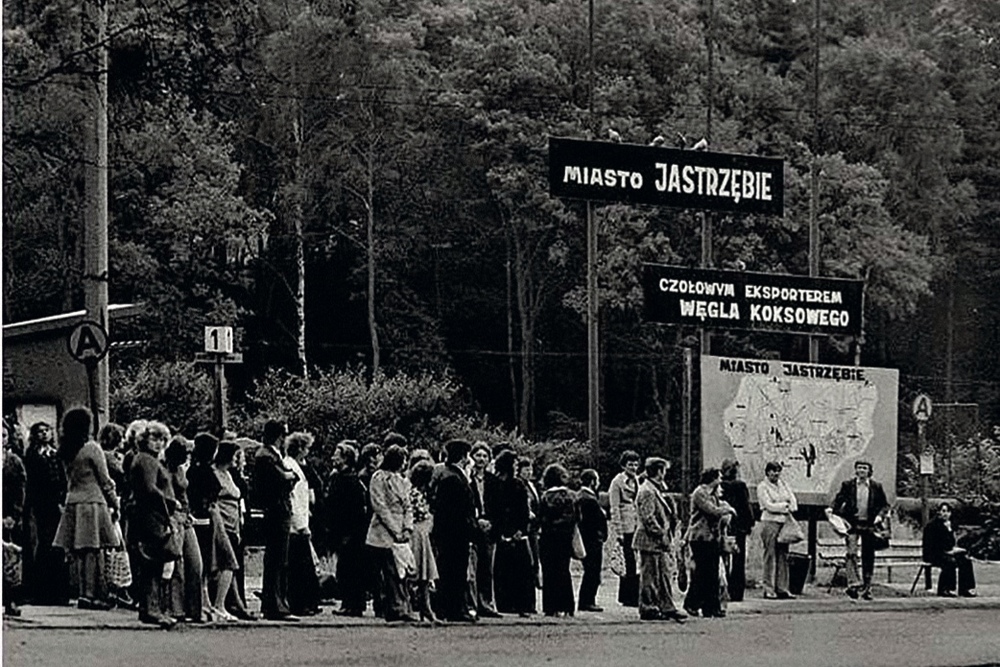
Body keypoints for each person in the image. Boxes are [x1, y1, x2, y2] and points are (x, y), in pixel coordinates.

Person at [52, 408, 120, 610]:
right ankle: (92, 594)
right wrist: (114, 503)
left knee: (79, 552)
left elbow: (67, 479)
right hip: (93, 502)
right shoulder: (92, 448)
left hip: (73, 501)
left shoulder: (66, 450)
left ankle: (83, 592)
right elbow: (105, 480)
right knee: (92, 551)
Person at [127, 421, 178, 628]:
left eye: (162, 439)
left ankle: (150, 608)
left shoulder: (147, 459)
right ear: (144, 439)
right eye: (154, 438)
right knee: (152, 563)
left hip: (150, 515)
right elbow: (150, 489)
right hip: (151, 516)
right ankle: (152, 609)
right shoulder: (147, 460)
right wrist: (170, 502)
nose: (159, 443)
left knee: (153, 564)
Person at [188, 433, 240, 622]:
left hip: (206, 518)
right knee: (221, 561)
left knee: (206, 564)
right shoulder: (206, 472)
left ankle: (207, 604)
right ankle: (215, 605)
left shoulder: (195, 470)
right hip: (211, 518)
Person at [254, 420, 300, 621]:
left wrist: (289, 477)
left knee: (280, 558)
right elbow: (283, 478)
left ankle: (276, 602)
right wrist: (289, 477)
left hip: (278, 508)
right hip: (276, 509)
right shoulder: (266, 456)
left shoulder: (271, 455)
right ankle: (274, 604)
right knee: (276, 558)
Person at [365, 443, 417, 623]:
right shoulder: (378, 478)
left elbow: (408, 506)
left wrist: (407, 528)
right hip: (383, 531)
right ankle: (392, 607)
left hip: (401, 529)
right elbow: (380, 506)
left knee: (401, 572)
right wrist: (396, 529)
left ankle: (402, 606)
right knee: (388, 571)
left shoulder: (402, 480)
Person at [430, 439, 478, 623]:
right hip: (455, 533)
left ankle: (452, 607)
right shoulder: (453, 478)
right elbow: (456, 510)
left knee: (452, 570)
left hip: (451, 532)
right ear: (464, 456)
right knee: (454, 571)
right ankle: (454, 608)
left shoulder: (449, 474)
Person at [633, 457, 686, 623]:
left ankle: (666, 606)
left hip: (657, 540)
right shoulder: (647, 491)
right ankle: (648, 607)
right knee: (649, 576)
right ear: (658, 471)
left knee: (663, 574)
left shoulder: (653, 488)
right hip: (650, 540)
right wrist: (661, 534)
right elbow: (648, 518)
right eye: (663, 470)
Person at [828, 460, 890, 600]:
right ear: (855, 470)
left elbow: (885, 505)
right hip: (852, 524)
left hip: (869, 524)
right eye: (859, 468)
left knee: (868, 556)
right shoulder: (848, 485)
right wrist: (833, 511)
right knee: (851, 553)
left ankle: (867, 588)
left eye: (865, 468)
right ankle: (853, 584)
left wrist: (879, 516)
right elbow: (838, 500)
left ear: (869, 471)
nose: (862, 471)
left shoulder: (876, 487)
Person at [23, 420, 70, 605]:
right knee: (45, 544)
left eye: (47, 431)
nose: (44, 434)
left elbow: (62, 479)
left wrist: (62, 499)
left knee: (57, 546)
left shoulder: (55, 454)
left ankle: (58, 592)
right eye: (40, 431)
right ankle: (42, 591)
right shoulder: (32, 455)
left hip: (56, 504)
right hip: (41, 505)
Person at [163, 436, 205, 623]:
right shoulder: (165, 468)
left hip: (185, 517)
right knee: (177, 563)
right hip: (172, 516)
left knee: (195, 562)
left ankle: (195, 609)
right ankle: (176, 608)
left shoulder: (180, 469)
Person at [684, 468, 735, 618]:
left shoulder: (713, 494)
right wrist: (728, 510)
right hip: (700, 537)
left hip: (712, 538)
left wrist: (724, 510)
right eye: (718, 477)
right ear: (712, 478)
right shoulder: (700, 493)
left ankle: (711, 607)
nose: (721, 479)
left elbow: (718, 510)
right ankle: (691, 603)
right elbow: (712, 510)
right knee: (702, 573)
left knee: (712, 574)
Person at [326, 441, 370, 617]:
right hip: (349, 531)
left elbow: (347, 509)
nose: (332, 458)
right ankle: (352, 603)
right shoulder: (350, 479)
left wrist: (345, 532)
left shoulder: (346, 480)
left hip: (349, 532)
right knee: (348, 568)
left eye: (337, 455)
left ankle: (352, 603)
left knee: (349, 568)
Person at [214, 440, 254, 619]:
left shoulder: (229, 474)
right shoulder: (215, 474)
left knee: (233, 565)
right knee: (227, 563)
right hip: (223, 523)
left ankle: (236, 602)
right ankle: (224, 603)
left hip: (234, 524)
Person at [492, 450, 535, 616]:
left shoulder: (513, 484)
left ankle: (514, 603)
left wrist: (519, 529)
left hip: (512, 531)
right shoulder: (509, 484)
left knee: (513, 570)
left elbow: (522, 510)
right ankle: (515, 603)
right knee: (515, 570)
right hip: (507, 531)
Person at [284, 431, 321, 616]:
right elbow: (295, 498)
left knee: (301, 565)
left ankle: (305, 602)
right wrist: (301, 524)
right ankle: (300, 603)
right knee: (298, 566)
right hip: (297, 524)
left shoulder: (296, 466)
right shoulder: (292, 467)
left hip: (299, 521)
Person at [537, 463, 578, 617]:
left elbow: (541, 519)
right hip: (564, 539)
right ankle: (567, 606)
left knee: (549, 573)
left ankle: (551, 607)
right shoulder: (570, 496)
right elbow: (574, 517)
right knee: (563, 571)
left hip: (548, 538)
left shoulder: (545, 496)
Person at [756, 461, 798, 600]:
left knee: (783, 556)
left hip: (784, 523)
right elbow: (768, 505)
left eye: (778, 471)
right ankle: (769, 588)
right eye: (773, 471)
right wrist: (784, 506)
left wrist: (787, 506)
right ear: (767, 472)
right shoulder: (762, 487)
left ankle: (783, 588)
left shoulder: (784, 485)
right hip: (769, 522)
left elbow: (793, 502)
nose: (776, 474)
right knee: (770, 555)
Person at [469, 441, 502, 618]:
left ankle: (487, 603)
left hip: (490, 529)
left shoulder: (493, 480)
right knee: (472, 569)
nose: (481, 459)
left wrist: (491, 522)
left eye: (484, 456)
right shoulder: (467, 479)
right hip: (474, 529)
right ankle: (473, 604)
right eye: (478, 455)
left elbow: (499, 506)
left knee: (487, 568)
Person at [922, 502, 976, 598]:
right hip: (933, 554)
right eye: (943, 511)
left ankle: (965, 588)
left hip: (946, 552)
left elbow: (950, 543)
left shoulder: (948, 525)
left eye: (947, 511)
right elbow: (934, 545)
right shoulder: (932, 525)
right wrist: (947, 550)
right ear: (938, 512)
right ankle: (945, 589)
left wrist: (949, 530)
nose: (945, 514)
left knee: (965, 560)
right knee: (950, 562)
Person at [408, 459, 440, 623]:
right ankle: (414, 607)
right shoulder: (414, 494)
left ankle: (425, 608)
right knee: (415, 573)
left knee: (425, 575)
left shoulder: (423, 493)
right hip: (416, 534)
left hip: (423, 534)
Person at [608, 450, 641, 607]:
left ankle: (633, 594)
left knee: (634, 561)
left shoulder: (638, 481)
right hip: (625, 526)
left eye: (635, 464)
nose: (633, 468)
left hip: (636, 525)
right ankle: (628, 596)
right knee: (628, 561)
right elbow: (614, 507)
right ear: (623, 465)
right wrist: (618, 531)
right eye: (630, 465)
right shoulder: (617, 482)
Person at [719, 458, 754, 602]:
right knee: (738, 560)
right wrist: (749, 524)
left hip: (723, 526)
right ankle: (737, 591)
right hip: (739, 527)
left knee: (723, 559)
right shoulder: (740, 486)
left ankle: (723, 589)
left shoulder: (720, 486)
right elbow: (746, 507)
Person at [576, 468, 608, 613]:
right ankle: (587, 600)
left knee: (590, 570)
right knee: (592, 571)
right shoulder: (589, 499)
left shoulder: (581, 496)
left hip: (586, 539)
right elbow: (594, 521)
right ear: (593, 482)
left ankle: (587, 600)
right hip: (592, 540)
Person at [3, 420, 27, 616]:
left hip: (8, 514)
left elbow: (20, 490)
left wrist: (14, 514)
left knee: (9, 560)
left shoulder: (14, 461)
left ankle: (10, 599)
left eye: (3, 435)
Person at [517, 456, 541, 599]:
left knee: (535, 559)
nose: (528, 472)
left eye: (530, 469)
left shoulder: (532, 485)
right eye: (525, 469)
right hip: (525, 526)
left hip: (534, 528)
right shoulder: (519, 485)